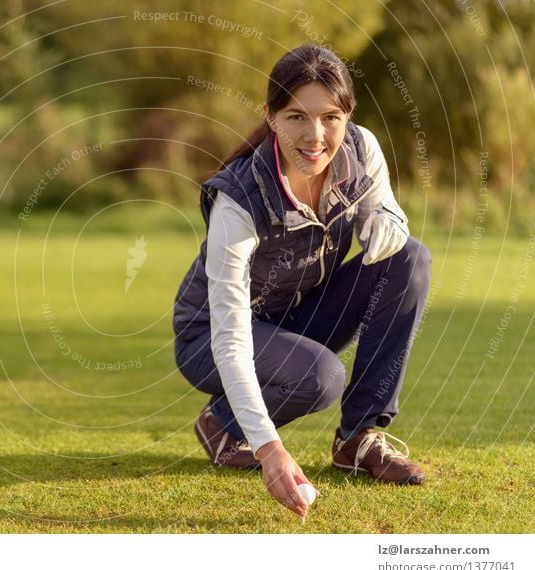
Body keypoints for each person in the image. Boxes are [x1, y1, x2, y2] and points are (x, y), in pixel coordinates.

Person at [171, 45, 432, 518]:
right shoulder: (239, 201)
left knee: (409, 258)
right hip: (210, 336)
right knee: (321, 378)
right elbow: (230, 339)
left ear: (347, 116)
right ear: (270, 117)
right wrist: (269, 450)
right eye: (296, 117)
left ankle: (359, 439)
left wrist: (390, 220)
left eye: (331, 117)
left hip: (296, 315)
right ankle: (224, 423)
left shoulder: (361, 147)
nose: (316, 136)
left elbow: (386, 206)